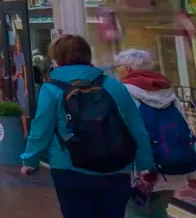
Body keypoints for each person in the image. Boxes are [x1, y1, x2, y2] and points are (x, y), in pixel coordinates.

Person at [20, 34, 153, 218]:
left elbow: (41, 130)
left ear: (57, 59)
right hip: (117, 167)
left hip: (69, 168)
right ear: (88, 56)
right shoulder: (113, 85)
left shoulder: (52, 89)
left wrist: (30, 161)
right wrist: (144, 162)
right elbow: (136, 127)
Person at [115, 49, 196, 218]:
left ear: (128, 69)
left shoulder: (122, 92)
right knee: (159, 210)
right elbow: (184, 128)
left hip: (141, 170)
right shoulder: (168, 92)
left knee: (135, 212)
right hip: (171, 165)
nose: (117, 71)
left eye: (119, 67)